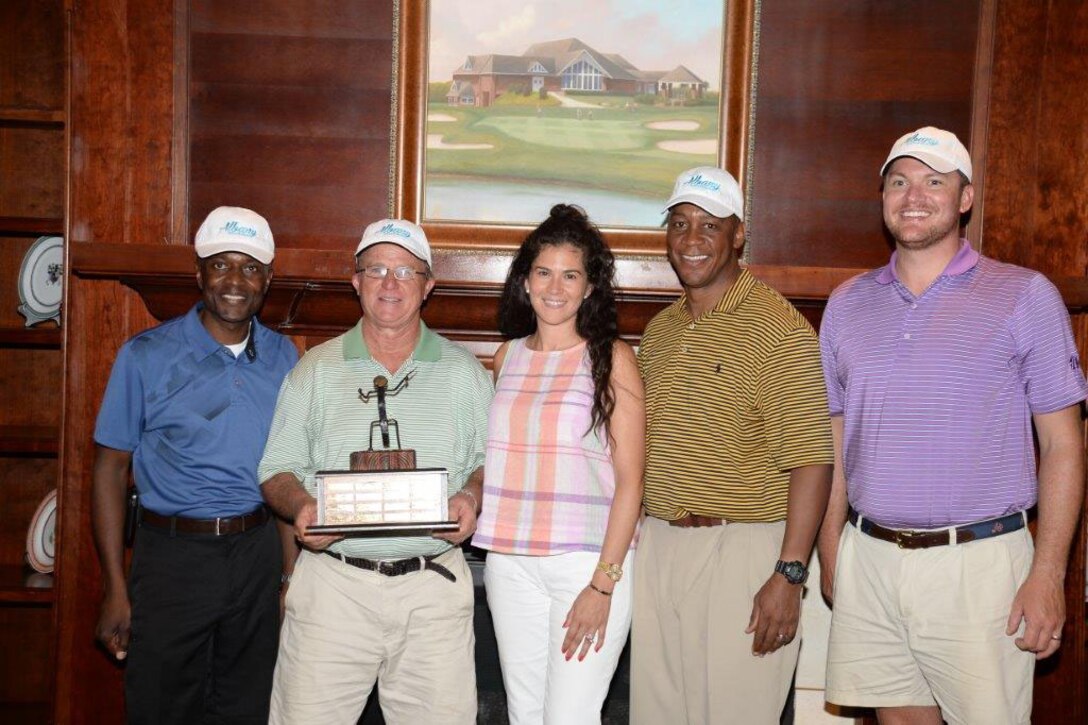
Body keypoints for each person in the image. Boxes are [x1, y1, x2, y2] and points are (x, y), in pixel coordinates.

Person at [817, 127, 1087, 724]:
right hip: (872, 559)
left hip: (981, 565)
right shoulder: (847, 303)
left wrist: (1048, 574)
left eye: (934, 181)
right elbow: (835, 439)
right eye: (898, 181)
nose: (913, 195)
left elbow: (1064, 445)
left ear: (965, 198)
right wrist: (831, 548)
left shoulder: (1024, 296)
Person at [258, 218, 493, 724]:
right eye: (377, 269)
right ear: (356, 281)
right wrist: (302, 508)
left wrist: (471, 497)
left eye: (406, 271)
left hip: (432, 592)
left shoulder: (464, 373)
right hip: (332, 590)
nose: (390, 283)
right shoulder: (313, 370)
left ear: (427, 286)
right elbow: (276, 468)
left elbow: (488, 462)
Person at [631, 166, 834, 724]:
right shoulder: (662, 330)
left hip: (744, 551)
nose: (691, 240)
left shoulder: (778, 327)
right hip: (662, 546)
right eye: (679, 224)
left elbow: (813, 458)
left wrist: (790, 573)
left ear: (738, 234)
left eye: (709, 225)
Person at [91, 206, 299, 724]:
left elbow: (290, 470)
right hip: (171, 558)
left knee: (249, 704)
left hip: (255, 556)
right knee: (162, 704)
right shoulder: (144, 356)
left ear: (267, 280)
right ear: (199, 273)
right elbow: (109, 471)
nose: (235, 281)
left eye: (250, 267)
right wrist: (115, 587)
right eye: (221, 264)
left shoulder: (284, 358)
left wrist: (290, 576)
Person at [474, 204, 644, 724]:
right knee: (525, 715)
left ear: (590, 287)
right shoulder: (506, 358)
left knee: (570, 718)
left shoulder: (612, 357)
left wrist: (602, 584)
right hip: (510, 564)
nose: (555, 287)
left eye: (571, 275)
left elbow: (632, 482)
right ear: (525, 281)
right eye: (544, 272)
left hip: (585, 565)